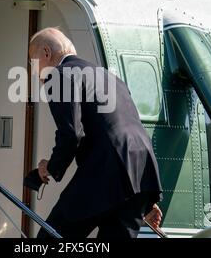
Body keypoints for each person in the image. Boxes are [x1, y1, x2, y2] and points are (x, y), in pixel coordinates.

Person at [28, 27, 163, 238]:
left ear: (46, 53)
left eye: (32, 62)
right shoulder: (109, 77)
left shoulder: (60, 75)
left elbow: (71, 134)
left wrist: (50, 168)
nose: (34, 71)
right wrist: (142, 196)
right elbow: (124, 127)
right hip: (141, 174)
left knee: (50, 239)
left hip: (104, 173)